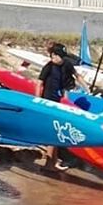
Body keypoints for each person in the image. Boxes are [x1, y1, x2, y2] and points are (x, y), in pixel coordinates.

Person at [37, 42, 77, 170]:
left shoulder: (64, 65)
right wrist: (37, 101)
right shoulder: (48, 67)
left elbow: (67, 83)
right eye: (60, 56)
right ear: (53, 55)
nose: (62, 59)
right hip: (47, 102)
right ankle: (49, 164)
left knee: (56, 132)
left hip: (58, 103)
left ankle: (52, 162)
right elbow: (39, 83)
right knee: (53, 133)